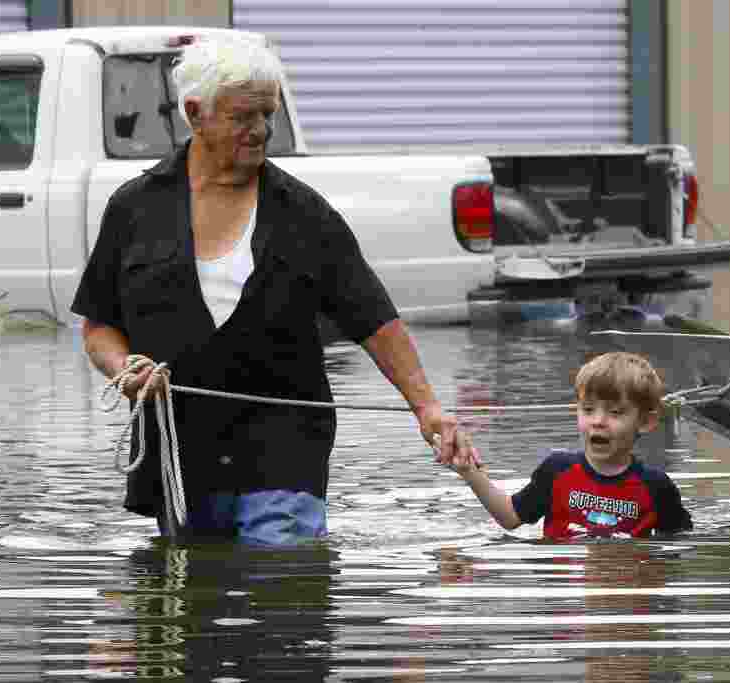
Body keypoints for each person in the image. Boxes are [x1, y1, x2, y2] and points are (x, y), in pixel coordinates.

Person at [71, 35, 466, 545]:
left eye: (268, 114)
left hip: (285, 446)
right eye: (243, 116)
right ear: (196, 113)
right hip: (183, 451)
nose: (261, 130)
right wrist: (125, 369)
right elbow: (99, 326)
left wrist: (426, 407)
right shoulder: (134, 209)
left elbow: (373, 320)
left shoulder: (305, 215)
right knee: (195, 603)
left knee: (282, 583)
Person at [446, 351, 692, 540]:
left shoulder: (656, 487)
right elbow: (510, 517)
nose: (598, 421)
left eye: (615, 412)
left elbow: (676, 543)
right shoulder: (557, 470)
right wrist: (469, 472)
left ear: (646, 422)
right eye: (588, 410)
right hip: (565, 602)